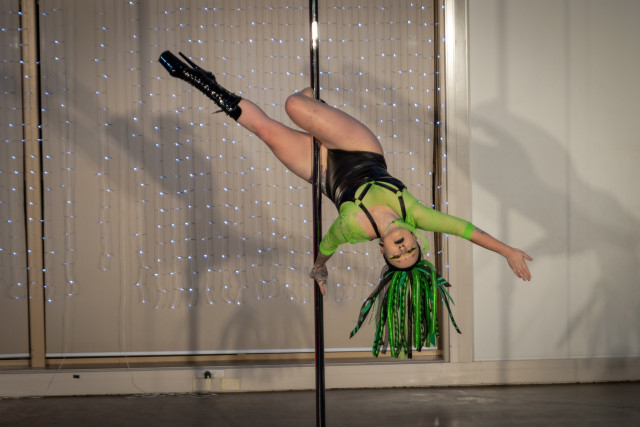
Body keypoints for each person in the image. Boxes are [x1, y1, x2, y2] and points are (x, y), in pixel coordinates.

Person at [159, 51, 533, 358]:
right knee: (294, 105)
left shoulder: (354, 229)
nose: (402, 250)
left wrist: (319, 270)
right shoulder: (417, 214)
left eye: (396, 256)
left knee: (265, 130)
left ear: (383, 251)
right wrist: (508, 251)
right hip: (359, 149)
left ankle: (201, 81)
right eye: (410, 251)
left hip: (324, 173)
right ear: (416, 239)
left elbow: (327, 247)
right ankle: (314, 106)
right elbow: (467, 230)